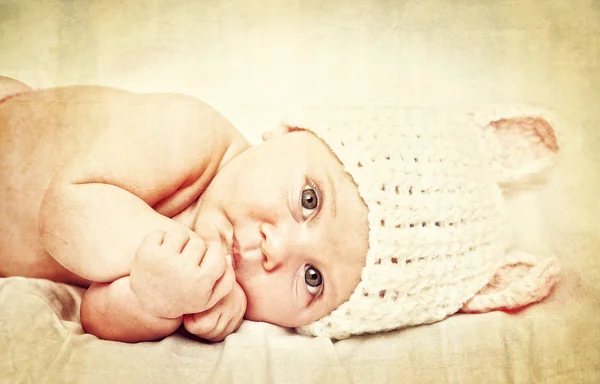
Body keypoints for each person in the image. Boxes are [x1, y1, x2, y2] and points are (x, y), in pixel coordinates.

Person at [0, 76, 561, 343]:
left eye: (312, 279)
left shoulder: (218, 298)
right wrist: (186, 270)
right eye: (309, 200)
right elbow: (62, 213)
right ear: (291, 133)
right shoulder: (188, 134)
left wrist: (154, 300)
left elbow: (96, 314)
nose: (278, 250)